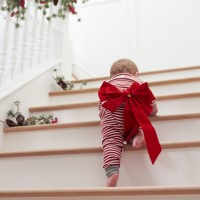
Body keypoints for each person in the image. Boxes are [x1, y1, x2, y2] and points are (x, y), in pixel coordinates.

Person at [98, 58, 162, 187]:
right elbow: (151, 105)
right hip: (130, 117)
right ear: (136, 74)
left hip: (111, 117)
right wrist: (152, 112)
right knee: (132, 126)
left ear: (111, 76)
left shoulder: (108, 84)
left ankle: (112, 171)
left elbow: (101, 107)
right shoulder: (139, 82)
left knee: (111, 141)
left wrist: (105, 118)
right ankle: (135, 136)